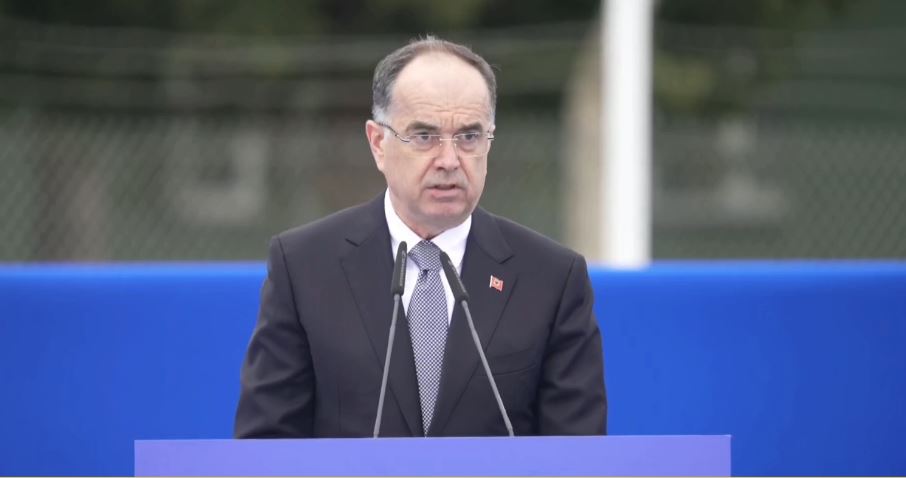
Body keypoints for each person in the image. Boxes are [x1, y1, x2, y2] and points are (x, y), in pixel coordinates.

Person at [234, 36, 606, 438]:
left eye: (469, 136)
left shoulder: (551, 278)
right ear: (378, 143)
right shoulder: (305, 266)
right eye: (425, 136)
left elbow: (578, 451)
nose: (449, 160)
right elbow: (267, 444)